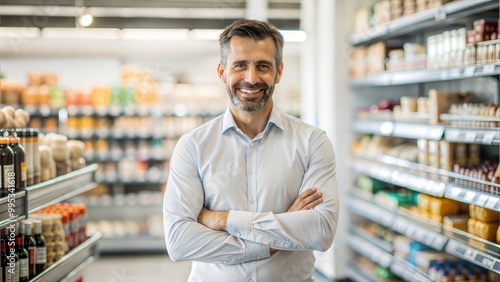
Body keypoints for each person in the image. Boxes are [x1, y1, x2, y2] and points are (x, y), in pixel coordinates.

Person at [163, 19, 339, 282]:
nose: (252, 78)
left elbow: (321, 231)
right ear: (222, 72)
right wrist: (275, 237)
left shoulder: (312, 142)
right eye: (240, 65)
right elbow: (179, 242)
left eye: (263, 66)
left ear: (279, 72)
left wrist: (224, 220)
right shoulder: (193, 146)